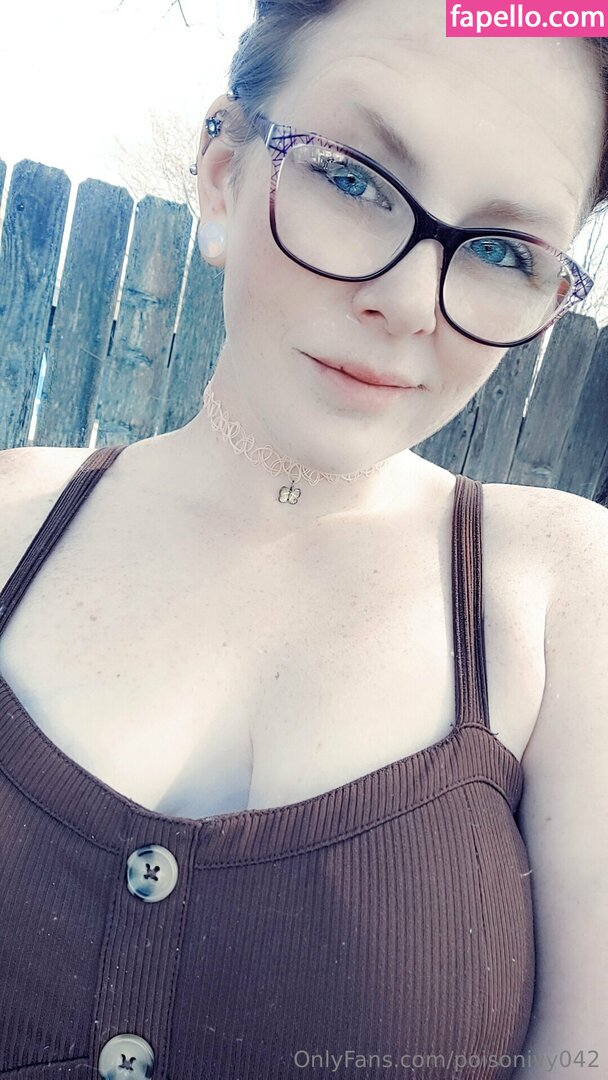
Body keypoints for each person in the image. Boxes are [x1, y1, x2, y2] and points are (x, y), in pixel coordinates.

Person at [0, 1, 606, 1077]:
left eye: (504, 251)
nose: (409, 302)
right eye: (353, 179)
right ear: (222, 174)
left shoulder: (564, 593)